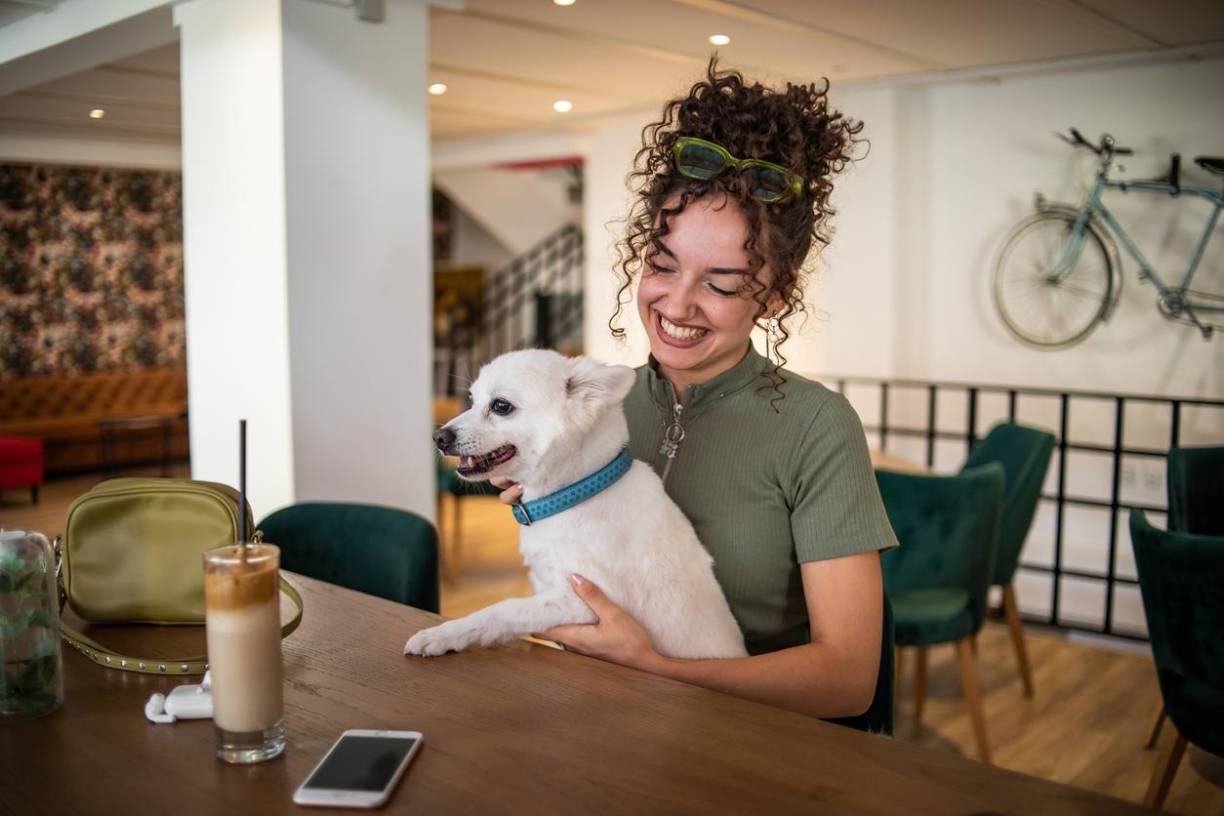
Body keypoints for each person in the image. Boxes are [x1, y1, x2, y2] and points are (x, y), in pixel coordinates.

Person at [493, 58, 898, 723]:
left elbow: (848, 679)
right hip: (602, 721)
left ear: (775, 295)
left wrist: (657, 670)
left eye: (721, 283)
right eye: (663, 265)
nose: (677, 304)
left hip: (750, 742)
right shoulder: (596, 408)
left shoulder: (816, 427)